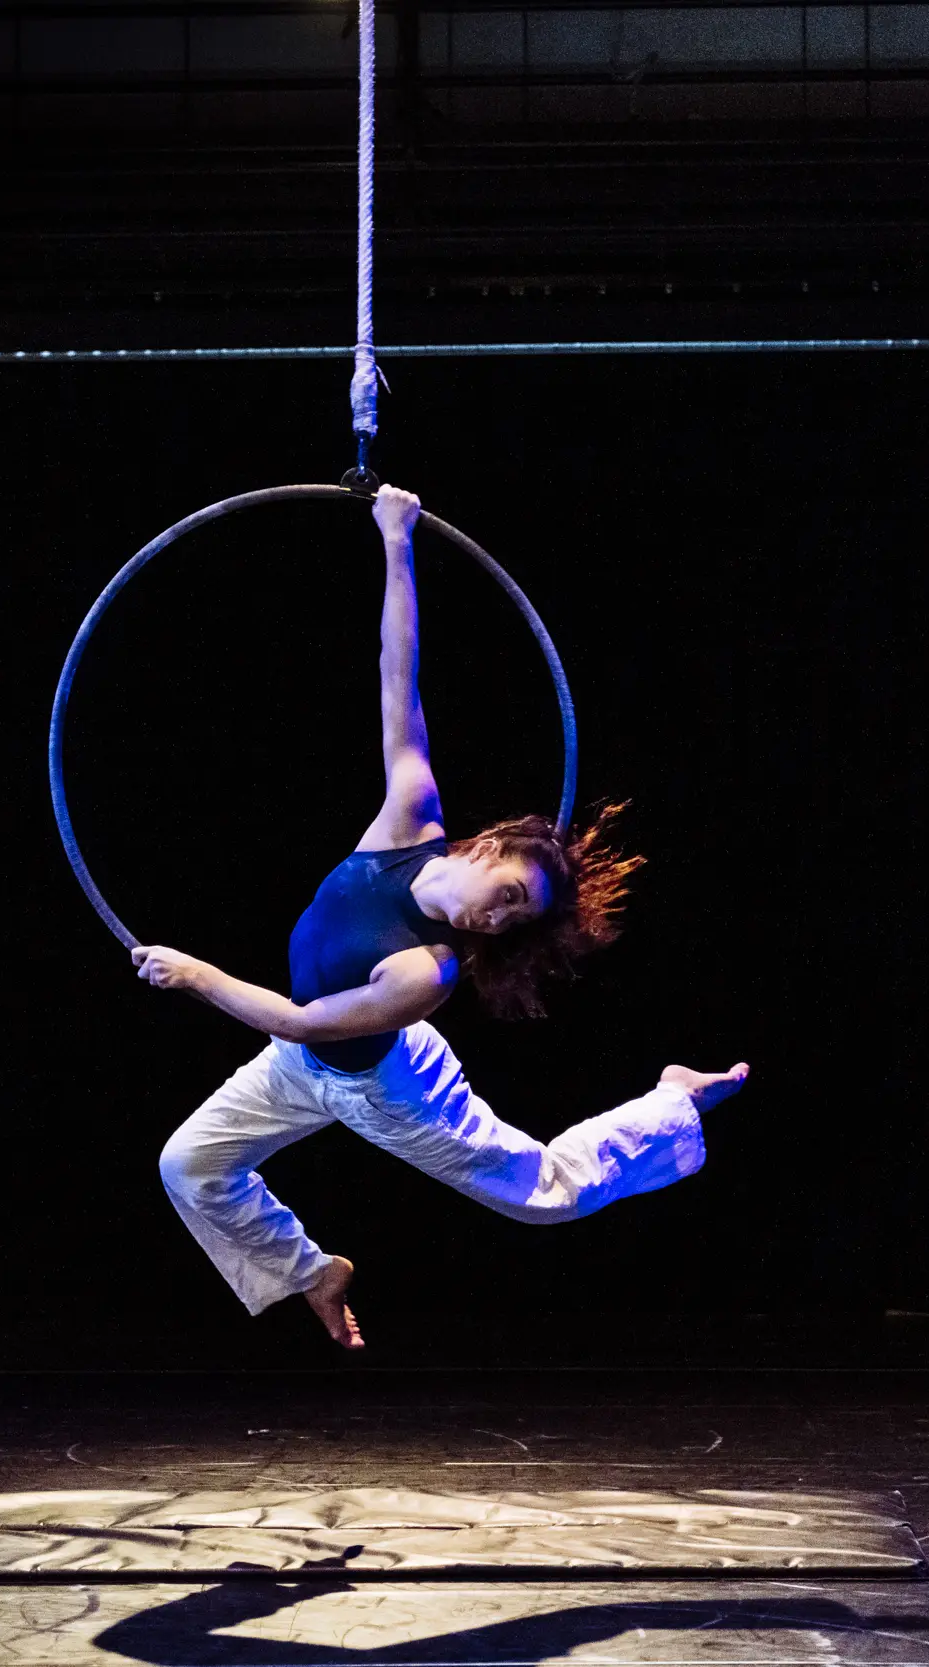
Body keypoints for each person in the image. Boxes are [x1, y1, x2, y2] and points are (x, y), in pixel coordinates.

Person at [131, 483, 750, 1349]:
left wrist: (194, 973)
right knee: (188, 1166)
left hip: (387, 1086)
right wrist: (396, 537)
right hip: (303, 1066)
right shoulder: (408, 817)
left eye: (517, 919)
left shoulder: (429, 970)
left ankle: (672, 1102)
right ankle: (314, 1271)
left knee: (541, 1192)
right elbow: (398, 670)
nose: (500, 918)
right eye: (508, 893)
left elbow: (305, 1020)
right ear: (487, 846)